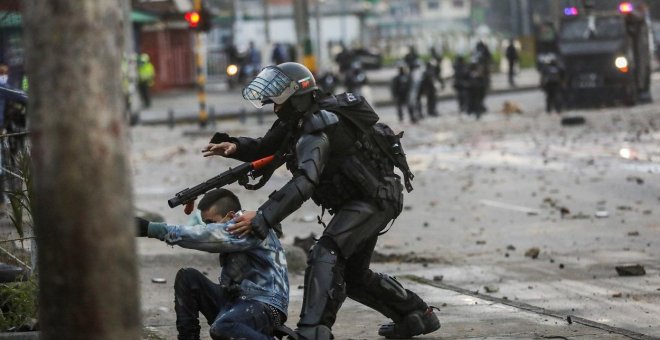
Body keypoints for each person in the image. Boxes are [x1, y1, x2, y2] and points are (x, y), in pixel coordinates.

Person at [202, 62, 440, 340]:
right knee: (353, 275)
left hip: (373, 200)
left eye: (278, 100)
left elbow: (304, 182)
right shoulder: (298, 121)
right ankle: (417, 315)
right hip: (366, 197)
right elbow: (268, 146)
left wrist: (263, 217)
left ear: (297, 95)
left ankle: (313, 331)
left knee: (325, 254)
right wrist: (235, 147)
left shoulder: (317, 128)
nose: (274, 107)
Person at [135, 188, 290, 340]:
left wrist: (153, 229)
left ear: (230, 215)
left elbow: (206, 236)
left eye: (211, 222)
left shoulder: (248, 225)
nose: (209, 227)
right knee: (188, 277)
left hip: (265, 304)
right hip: (236, 301)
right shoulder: (240, 226)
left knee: (223, 328)